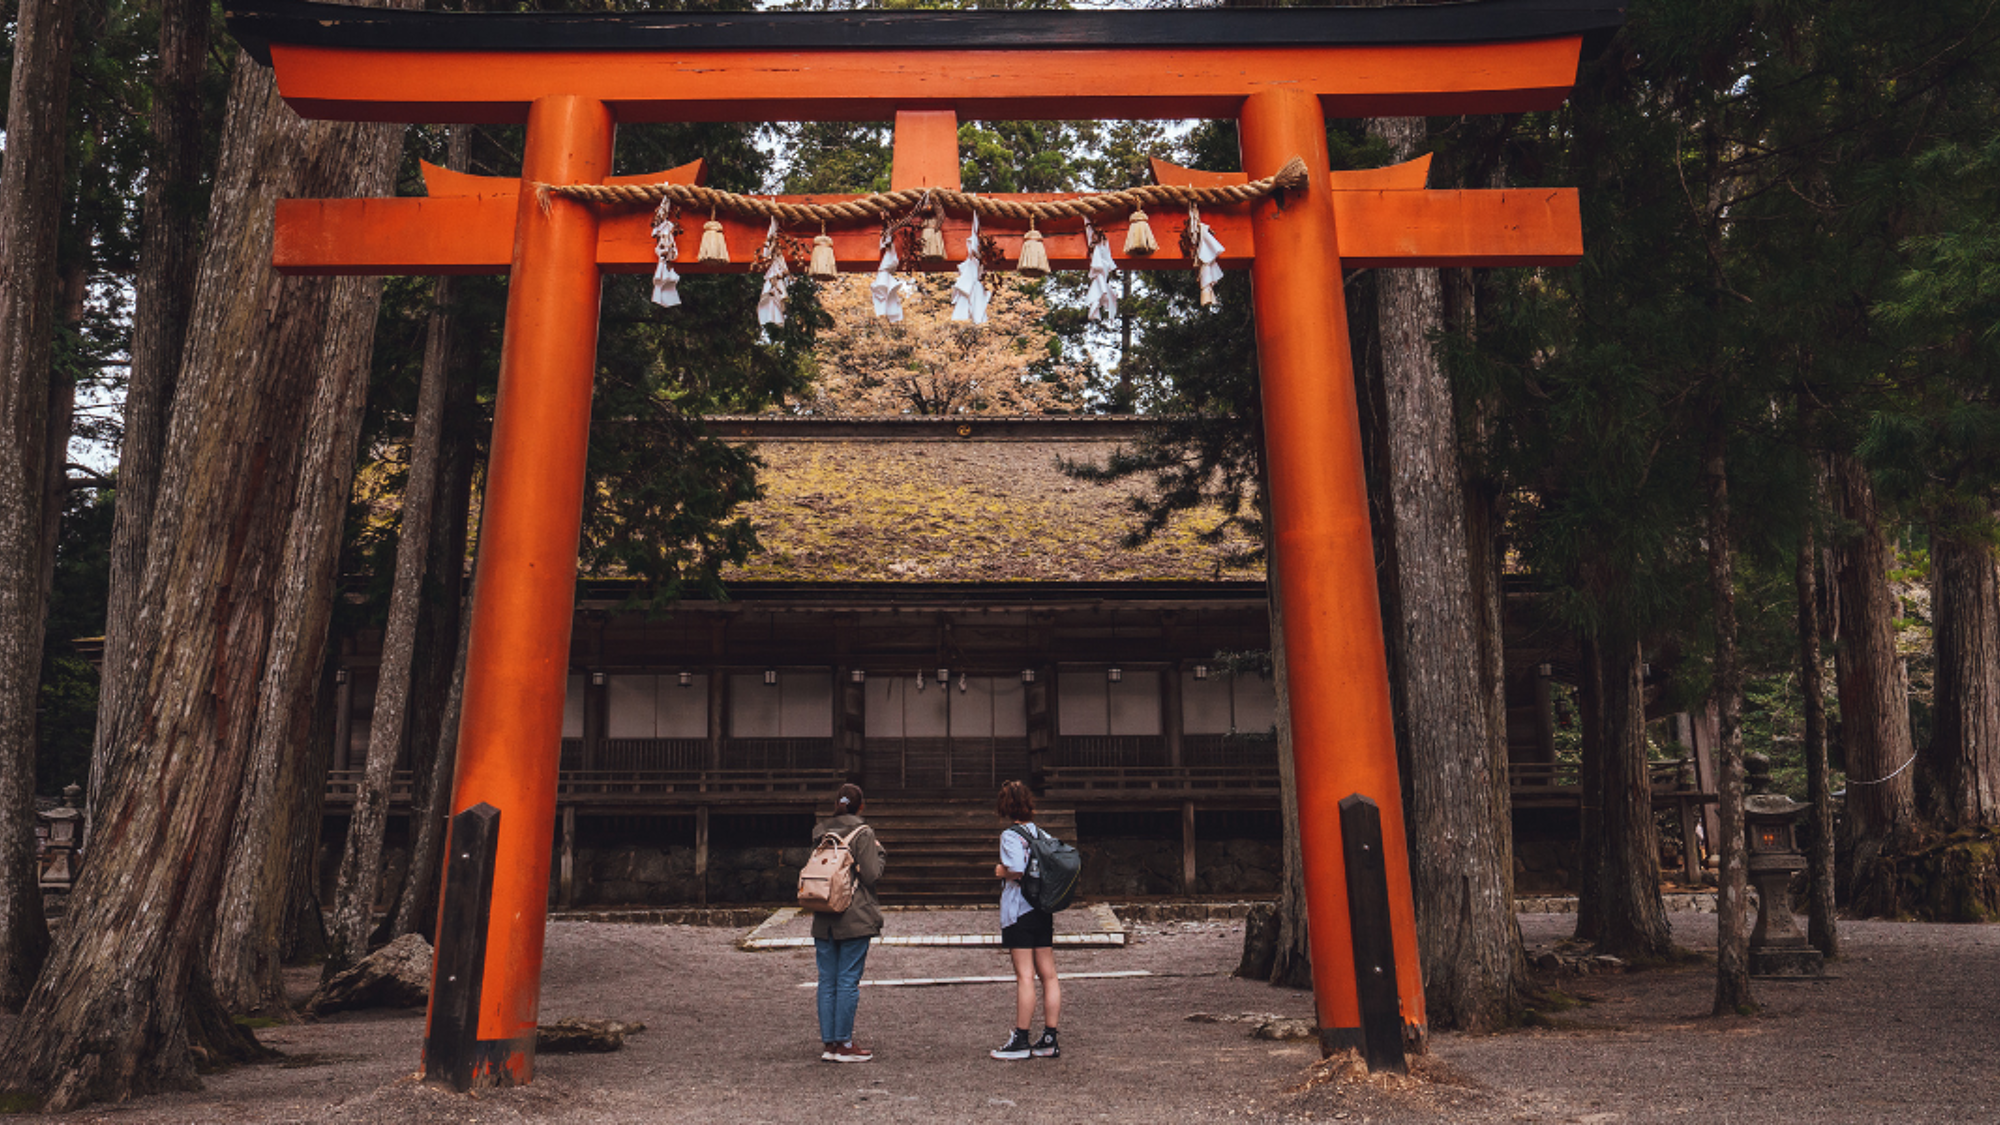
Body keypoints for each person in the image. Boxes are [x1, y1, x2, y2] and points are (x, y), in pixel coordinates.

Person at [811, 783, 885, 1063]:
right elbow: (870, 875)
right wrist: (880, 853)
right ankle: (845, 1043)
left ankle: (829, 1043)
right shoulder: (863, 833)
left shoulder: (820, 832)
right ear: (861, 806)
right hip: (853, 916)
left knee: (827, 980)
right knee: (847, 980)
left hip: (823, 913)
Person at [990, 779, 1061, 1060]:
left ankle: (1021, 1039)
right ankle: (1049, 1037)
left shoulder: (1010, 836)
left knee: (1024, 976)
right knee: (1049, 975)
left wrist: (1001, 871)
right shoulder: (1040, 833)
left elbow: (1017, 869)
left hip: (1020, 910)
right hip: (1042, 908)